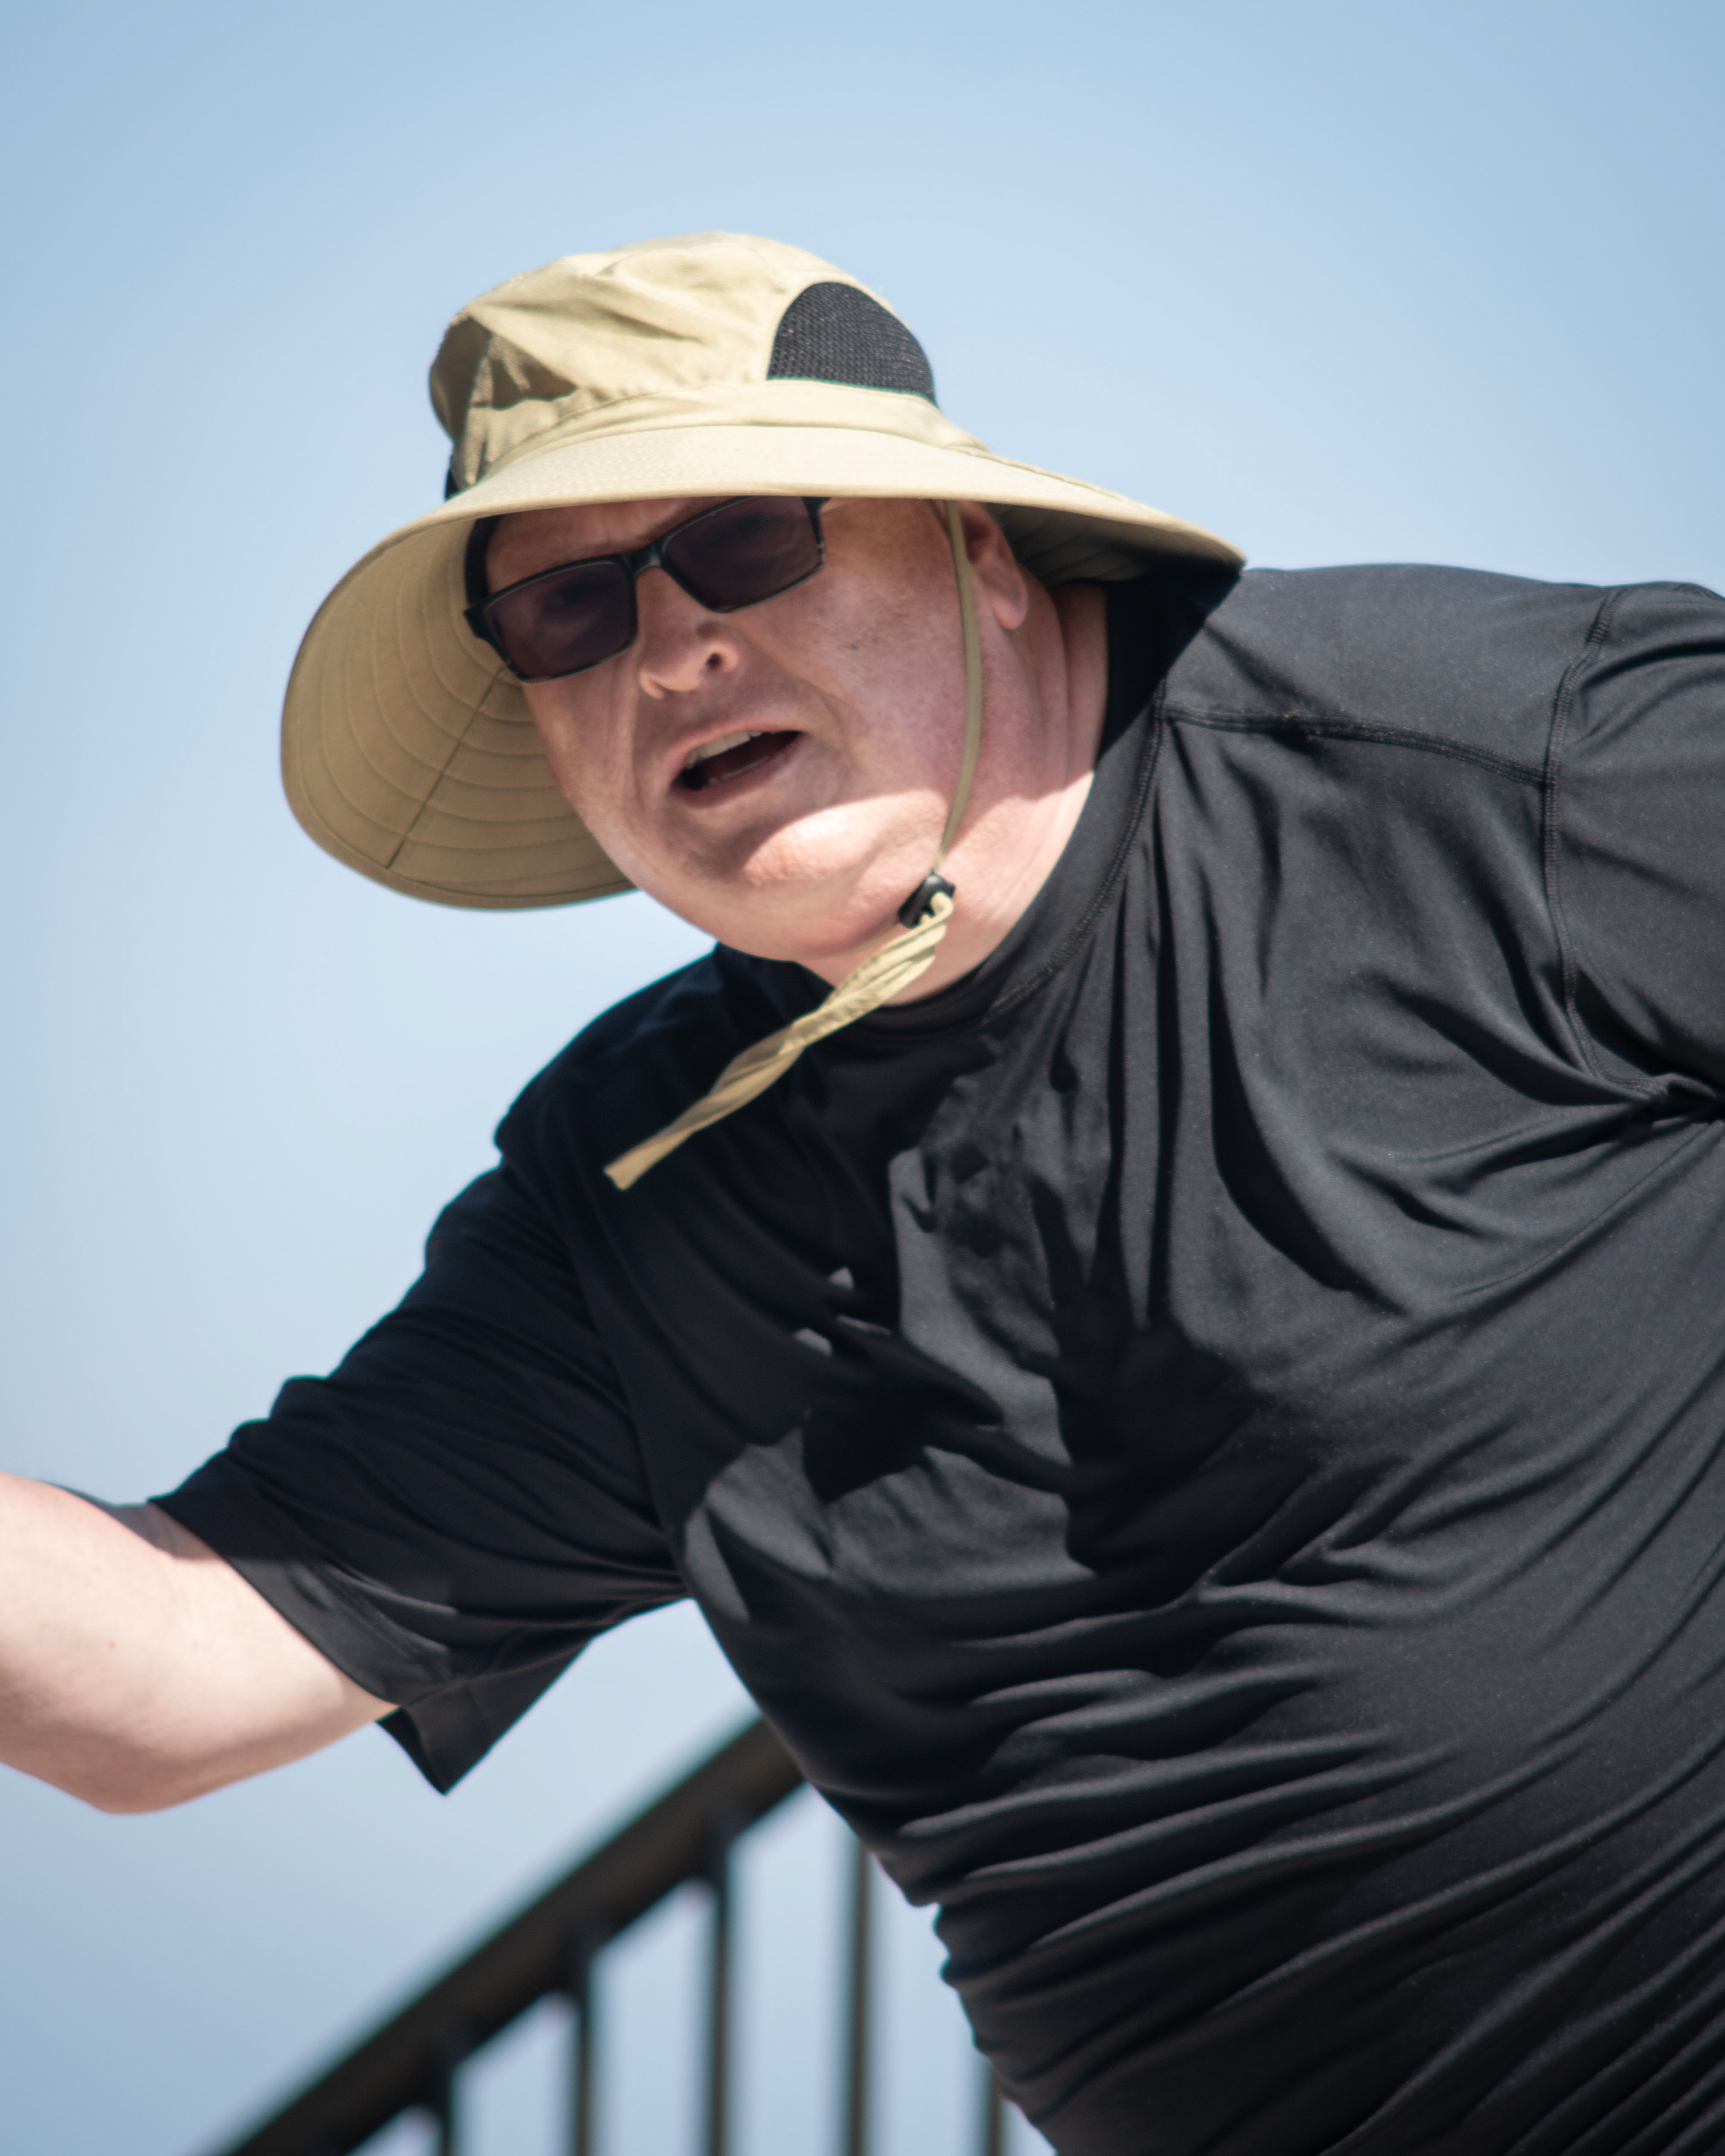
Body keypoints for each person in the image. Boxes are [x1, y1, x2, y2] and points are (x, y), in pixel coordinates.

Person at [6, 230, 1725, 2156]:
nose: (674, 647)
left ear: (979, 553)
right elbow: (180, 1660)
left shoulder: (1486, 769)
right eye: (569, 608)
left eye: (744, 539)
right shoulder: (634, 1191)